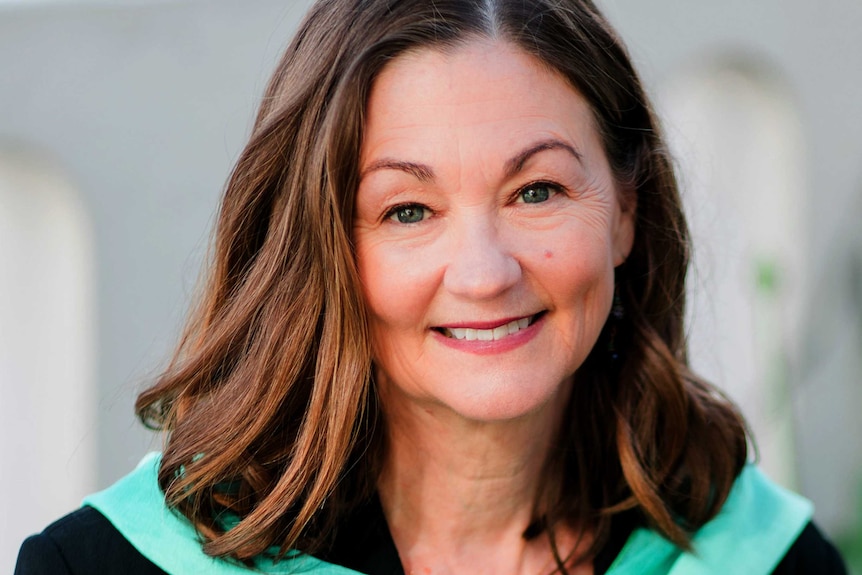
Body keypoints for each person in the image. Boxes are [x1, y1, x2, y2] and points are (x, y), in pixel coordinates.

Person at [15, 0, 848, 573]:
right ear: (326, 247)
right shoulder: (109, 565)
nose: (485, 273)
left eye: (537, 191)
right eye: (408, 209)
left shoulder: (761, 556)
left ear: (625, 209)